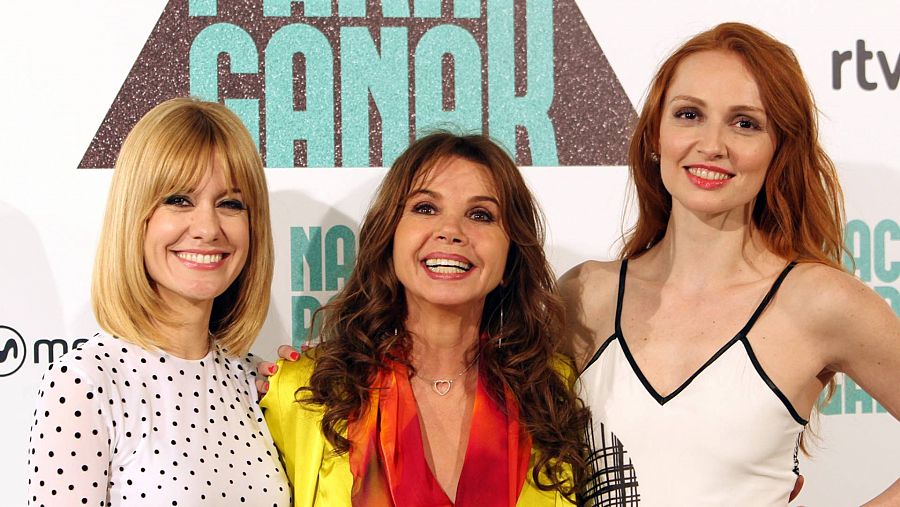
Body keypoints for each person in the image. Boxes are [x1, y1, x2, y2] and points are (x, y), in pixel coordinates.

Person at [559, 22, 900, 506]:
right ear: (655, 133)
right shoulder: (585, 294)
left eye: (745, 123)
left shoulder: (820, 302)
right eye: (689, 114)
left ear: (780, 148)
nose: (712, 144)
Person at [260, 132, 590, 506]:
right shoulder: (304, 392)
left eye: (480, 215)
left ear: (510, 257)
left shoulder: (554, 394)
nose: (451, 232)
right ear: (389, 237)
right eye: (426, 208)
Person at [26, 98, 290, 506]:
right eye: (179, 200)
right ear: (135, 215)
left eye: (230, 204)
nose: (207, 228)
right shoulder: (86, 383)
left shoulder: (253, 381)